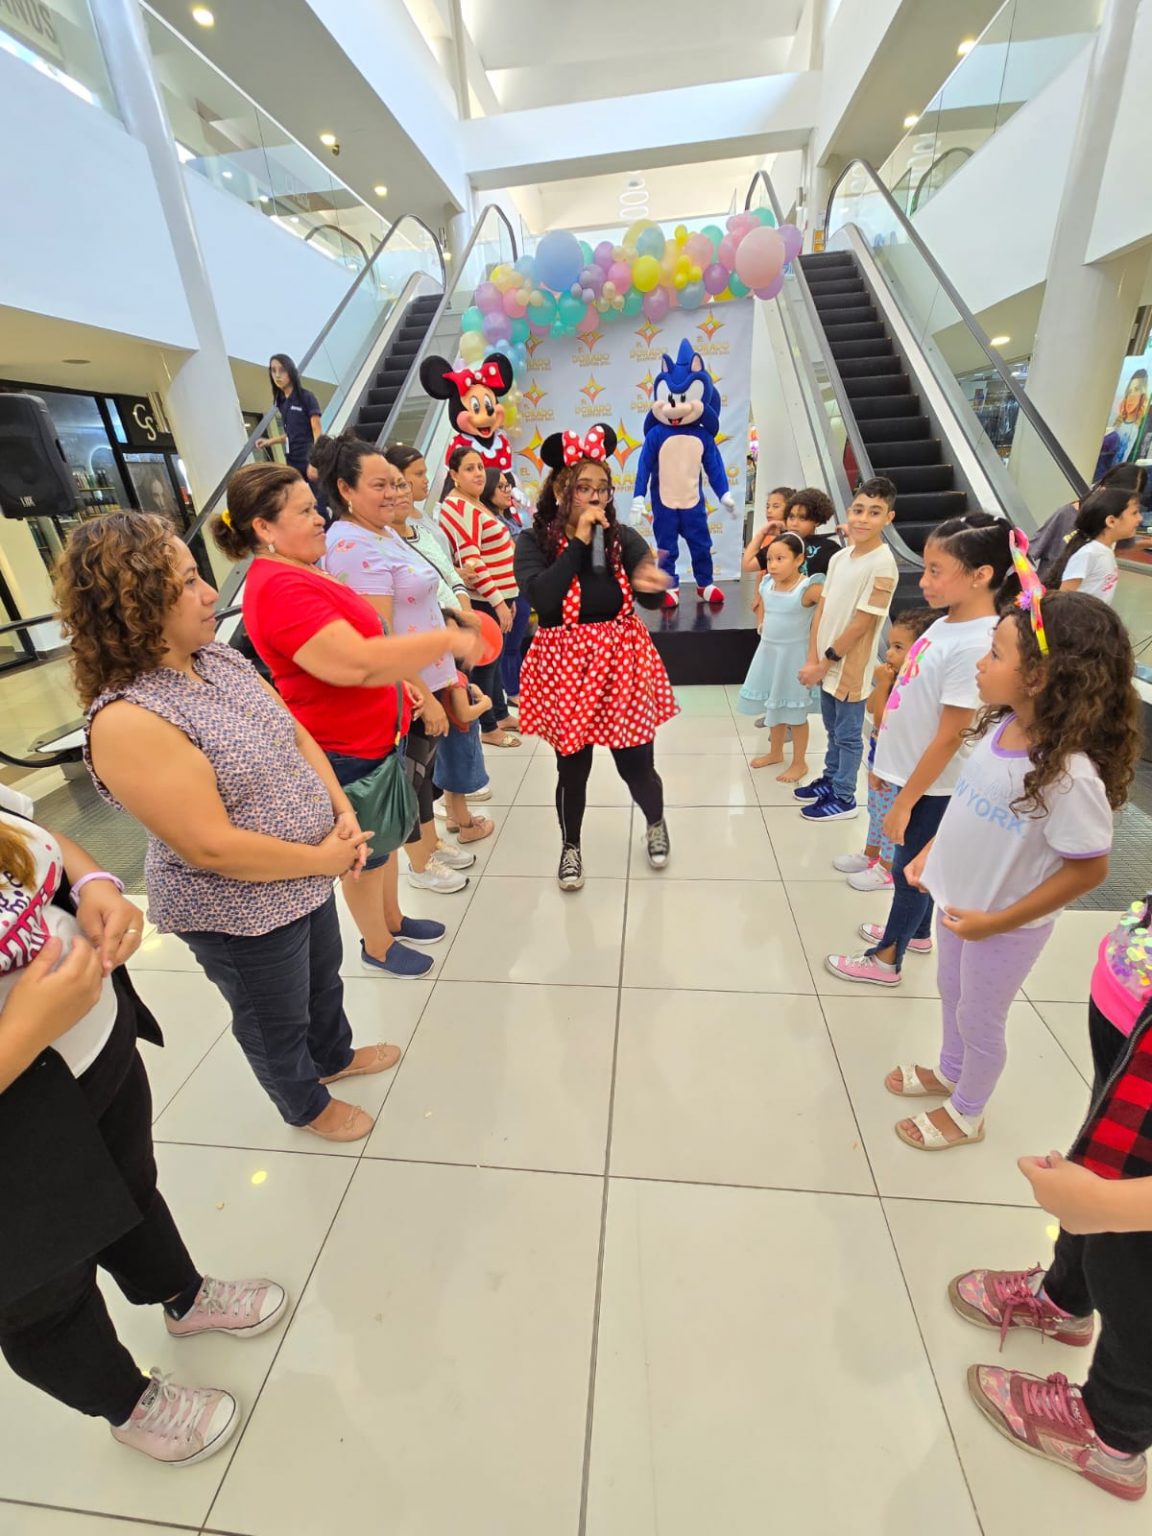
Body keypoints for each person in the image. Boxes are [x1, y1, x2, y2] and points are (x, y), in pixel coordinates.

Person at [55, 511, 404, 1149]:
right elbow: (208, 845)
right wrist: (323, 860)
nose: (211, 593)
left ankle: (334, 1054)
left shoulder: (214, 658)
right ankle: (303, 1103)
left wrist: (340, 811)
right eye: (188, 583)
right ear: (134, 605)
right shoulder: (129, 718)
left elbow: (293, 730)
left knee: (323, 979)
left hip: (307, 872)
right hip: (238, 908)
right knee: (274, 1017)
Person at [0, 785, 288, 1467]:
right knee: (43, 1293)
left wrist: (94, 881)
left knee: (131, 1191)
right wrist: (28, 1029)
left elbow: (30, 832)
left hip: (93, 1057)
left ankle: (181, 1294)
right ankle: (125, 1402)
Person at [889, 589, 1139, 1150]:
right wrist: (935, 852)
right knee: (951, 993)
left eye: (996, 654)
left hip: (1003, 928)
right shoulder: (1000, 726)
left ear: (1042, 677)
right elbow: (973, 801)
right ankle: (950, 1071)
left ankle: (968, 1111)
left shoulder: (1068, 774)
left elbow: (1089, 869)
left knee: (981, 1018)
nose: (981, 663)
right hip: (962, 909)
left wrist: (998, 923)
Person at [219, 464, 477, 980]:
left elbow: (363, 650)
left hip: (371, 733)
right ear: (264, 528)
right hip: (341, 744)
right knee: (366, 851)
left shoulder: (305, 569)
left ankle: (393, 918)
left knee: (383, 842)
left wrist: (403, 682)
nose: (320, 520)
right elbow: (352, 663)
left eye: (315, 508)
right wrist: (443, 642)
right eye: (305, 511)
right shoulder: (278, 586)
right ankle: (377, 944)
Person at [952, 976, 1152, 1500]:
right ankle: (1063, 1301)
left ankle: (1110, 1437)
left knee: (1138, 1274)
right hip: (1133, 1021)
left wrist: (1110, 1205)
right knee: (1093, 1180)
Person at [826, 514, 1011, 985]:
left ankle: (887, 958)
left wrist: (904, 801)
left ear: (980, 574)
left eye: (935, 570)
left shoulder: (975, 640)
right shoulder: (947, 623)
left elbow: (950, 735)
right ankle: (918, 933)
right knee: (920, 867)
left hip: (931, 787)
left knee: (910, 871)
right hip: (912, 775)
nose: (923, 580)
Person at [514, 424, 675, 890]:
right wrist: (580, 544)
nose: (594, 498)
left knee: (636, 763)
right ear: (560, 489)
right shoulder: (533, 542)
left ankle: (656, 821)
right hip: (564, 667)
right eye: (583, 488)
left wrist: (652, 586)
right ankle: (571, 847)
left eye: (601, 489)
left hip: (621, 663)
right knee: (573, 766)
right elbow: (543, 598)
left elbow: (648, 596)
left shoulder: (624, 537)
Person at [317, 434, 474, 896]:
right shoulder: (350, 545)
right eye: (379, 485)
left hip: (426, 674)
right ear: (346, 489)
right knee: (411, 777)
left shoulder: (381, 531)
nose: (393, 494)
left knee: (423, 772)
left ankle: (428, 843)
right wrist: (424, 697)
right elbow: (377, 635)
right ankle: (421, 865)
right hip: (405, 689)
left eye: (395, 483)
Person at [794, 477, 899, 822]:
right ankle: (830, 778)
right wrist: (813, 656)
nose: (863, 519)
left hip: (850, 665)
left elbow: (862, 624)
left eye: (874, 512)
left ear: (889, 518)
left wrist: (826, 662)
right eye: (858, 510)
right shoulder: (840, 558)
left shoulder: (883, 564)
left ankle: (843, 796)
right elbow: (822, 610)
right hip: (825, 661)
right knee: (831, 727)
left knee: (849, 734)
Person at [833, 607, 935, 893]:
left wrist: (885, 683)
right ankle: (870, 854)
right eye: (890, 645)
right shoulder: (898, 679)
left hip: (899, 768)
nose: (889, 653)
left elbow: (883, 720)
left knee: (891, 816)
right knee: (876, 810)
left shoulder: (916, 687)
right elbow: (870, 709)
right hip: (881, 759)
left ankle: (887, 869)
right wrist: (883, 685)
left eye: (899, 647)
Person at [437, 445, 521, 747]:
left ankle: (499, 713)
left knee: (494, 662)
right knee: (484, 666)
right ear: (454, 475)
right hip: (485, 600)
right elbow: (474, 563)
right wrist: (498, 603)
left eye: (480, 467)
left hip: (499, 594)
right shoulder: (459, 507)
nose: (478, 473)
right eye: (470, 468)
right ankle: (489, 728)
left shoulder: (475, 502)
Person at [736, 532, 821, 782]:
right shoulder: (766, 584)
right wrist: (761, 621)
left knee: (795, 712)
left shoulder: (808, 587)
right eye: (770, 559)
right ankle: (775, 752)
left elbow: (828, 607)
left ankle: (799, 762)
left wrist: (815, 655)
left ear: (798, 559)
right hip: (769, 653)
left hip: (794, 656)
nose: (772, 565)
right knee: (774, 704)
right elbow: (763, 601)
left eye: (780, 558)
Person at [435, 611, 496, 843]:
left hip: (446, 738)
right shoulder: (456, 679)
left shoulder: (442, 673)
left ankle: (453, 818)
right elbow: (464, 712)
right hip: (461, 738)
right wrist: (485, 704)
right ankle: (467, 827)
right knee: (458, 787)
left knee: (450, 783)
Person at [1029, 462, 1146, 569]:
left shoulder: (1115, 528)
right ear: (1104, 490)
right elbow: (1030, 552)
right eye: (1133, 511)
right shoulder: (1066, 515)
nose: (1139, 518)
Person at [481, 467, 533, 707]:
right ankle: (512, 691)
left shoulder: (509, 516)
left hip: (520, 586)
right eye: (501, 486)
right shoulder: (490, 521)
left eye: (508, 486)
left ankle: (517, 687)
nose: (507, 491)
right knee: (509, 645)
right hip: (505, 591)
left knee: (515, 642)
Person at [1043, 485, 1143, 603]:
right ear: (1111, 521)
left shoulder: (1106, 549)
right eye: (1134, 513)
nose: (1140, 518)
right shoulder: (1089, 553)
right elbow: (1063, 601)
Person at [256, 355, 321, 480]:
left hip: (309, 459)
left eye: (282, 370)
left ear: (290, 371)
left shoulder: (306, 397)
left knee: (320, 498)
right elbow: (292, 434)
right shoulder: (281, 402)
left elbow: (317, 432)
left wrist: (315, 462)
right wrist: (268, 441)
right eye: (273, 371)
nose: (277, 375)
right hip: (292, 461)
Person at [740, 485, 796, 572]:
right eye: (768, 506)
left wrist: (762, 533)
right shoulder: (771, 536)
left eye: (776, 506)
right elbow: (758, 572)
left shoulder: (791, 540)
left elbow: (748, 565)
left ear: (790, 509)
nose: (769, 510)